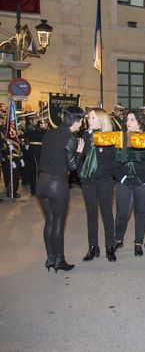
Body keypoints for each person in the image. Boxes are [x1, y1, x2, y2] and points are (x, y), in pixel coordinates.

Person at [37, 106, 85, 272]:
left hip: (41, 182)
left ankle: (50, 259)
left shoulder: (49, 133)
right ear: (77, 121)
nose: (81, 124)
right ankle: (60, 260)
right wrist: (79, 152)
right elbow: (72, 167)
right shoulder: (70, 138)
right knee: (58, 222)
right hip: (57, 184)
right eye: (82, 121)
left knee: (49, 221)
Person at [113, 110, 145, 256]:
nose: (128, 122)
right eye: (127, 120)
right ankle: (118, 239)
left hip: (144, 181)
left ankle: (138, 242)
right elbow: (114, 160)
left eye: (132, 120)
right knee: (122, 213)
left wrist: (141, 179)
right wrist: (121, 178)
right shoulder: (120, 137)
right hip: (124, 180)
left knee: (140, 212)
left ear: (140, 122)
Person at [79, 108, 119, 262]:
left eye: (93, 118)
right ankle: (93, 247)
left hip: (104, 181)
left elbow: (117, 160)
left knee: (107, 214)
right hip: (88, 181)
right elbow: (81, 157)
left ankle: (110, 246)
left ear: (102, 120)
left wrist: (101, 168)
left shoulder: (110, 137)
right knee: (91, 214)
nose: (90, 121)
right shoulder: (85, 135)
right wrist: (82, 174)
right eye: (89, 118)